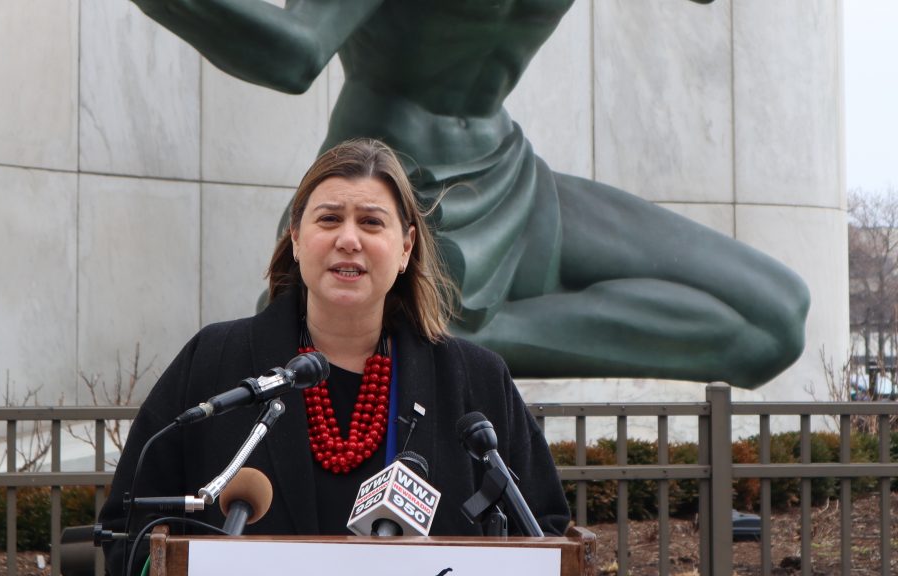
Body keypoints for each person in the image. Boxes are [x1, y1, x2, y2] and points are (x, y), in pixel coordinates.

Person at [127, 0, 810, 390]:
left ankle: (431, 330)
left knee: (771, 322)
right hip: (397, 188)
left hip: (511, 172)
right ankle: (388, 317)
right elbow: (293, 52)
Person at [98, 139, 572, 575]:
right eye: (329, 219)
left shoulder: (475, 379)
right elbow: (129, 528)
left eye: (371, 221)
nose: (349, 238)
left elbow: (546, 533)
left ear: (405, 247)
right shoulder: (215, 361)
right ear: (297, 238)